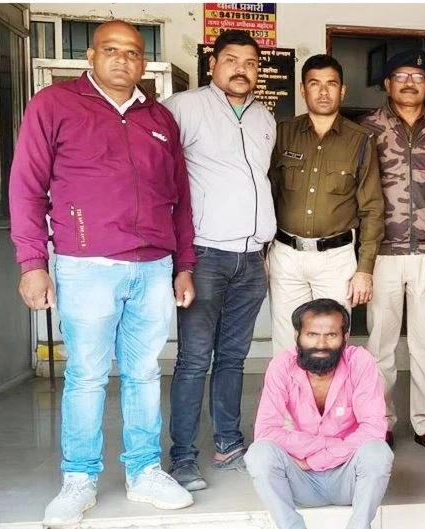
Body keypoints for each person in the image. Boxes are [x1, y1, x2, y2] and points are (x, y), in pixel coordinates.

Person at [9, 20, 196, 526]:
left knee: (143, 373)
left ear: (142, 62)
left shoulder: (159, 117)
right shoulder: (54, 105)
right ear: (90, 57)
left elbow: (181, 199)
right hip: (86, 265)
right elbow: (27, 187)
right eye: (111, 50)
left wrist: (184, 265)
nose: (122, 59)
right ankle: (79, 479)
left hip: (153, 266)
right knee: (87, 375)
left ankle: (144, 471)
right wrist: (33, 263)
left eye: (132, 52)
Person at [163, 29, 276, 491]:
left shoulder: (265, 118)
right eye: (231, 60)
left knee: (233, 358)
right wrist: (181, 260)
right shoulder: (183, 108)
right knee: (193, 360)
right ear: (212, 65)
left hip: (251, 259)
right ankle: (183, 457)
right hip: (205, 254)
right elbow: (161, 176)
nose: (241, 69)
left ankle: (228, 443)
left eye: (250, 63)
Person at [359, 49, 425, 455]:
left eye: (417, 76)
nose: (409, 83)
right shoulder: (366, 129)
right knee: (380, 344)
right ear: (386, 84)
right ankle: (380, 422)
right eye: (400, 76)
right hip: (383, 251)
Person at [268, 54, 384, 355]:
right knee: (286, 342)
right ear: (302, 89)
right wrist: (262, 252)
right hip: (286, 255)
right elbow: (268, 194)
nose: (323, 91)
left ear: (342, 91)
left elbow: (372, 208)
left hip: (336, 259)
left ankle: (331, 390)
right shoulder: (282, 133)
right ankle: (290, 390)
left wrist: (365, 269)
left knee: (332, 342)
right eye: (314, 84)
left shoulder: (360, 140)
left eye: (331, 84)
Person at [245, 298, 393, 529]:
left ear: (345, 337)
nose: (321, 344)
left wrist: (317, 459)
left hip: (348, 477)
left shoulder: (360, 362)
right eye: (312, 334)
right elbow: (266, 431)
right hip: (301, 480)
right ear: (297, 336)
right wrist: (323, 447)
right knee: (259, 454)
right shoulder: (282, 365)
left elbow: (373, 429)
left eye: (331, 335)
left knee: (378, 452)